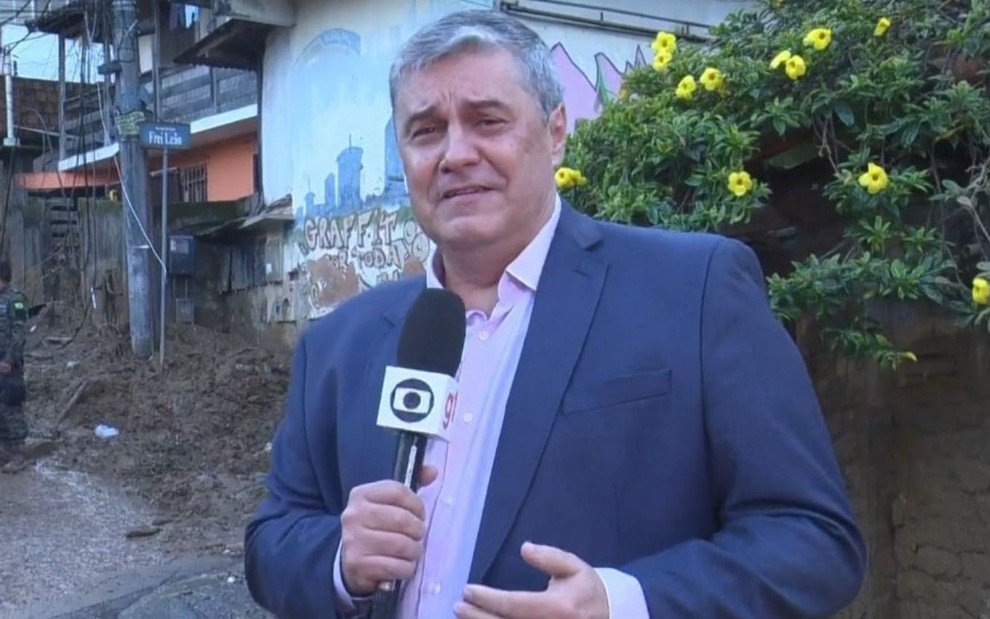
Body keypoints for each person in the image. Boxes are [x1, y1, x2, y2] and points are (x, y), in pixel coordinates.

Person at [246, 10, 866, 618]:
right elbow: (272, 543)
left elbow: (812, 540)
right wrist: (340, 562)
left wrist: (624, 603)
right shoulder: (337, 345)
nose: (456, 153)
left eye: (487, 121)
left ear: (555, 130)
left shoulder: (695, 291)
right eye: (426, 130)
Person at [0, 259, 29, 474]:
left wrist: (9, 359)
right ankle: (5, 451)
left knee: (12, 404)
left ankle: (19, 453)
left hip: (10, 363)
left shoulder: (17, 299)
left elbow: (20, 334)